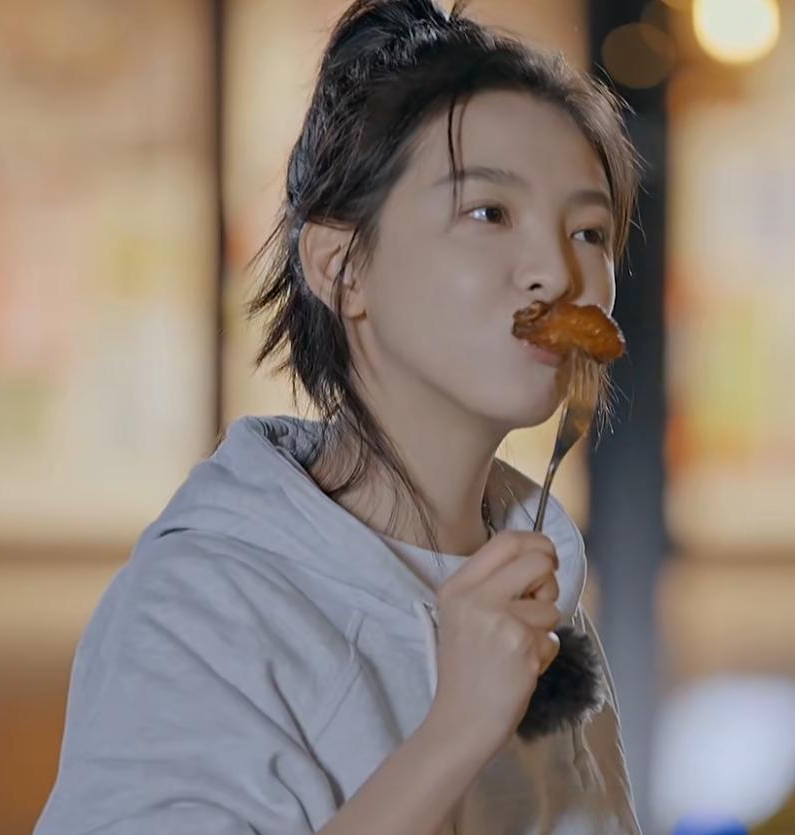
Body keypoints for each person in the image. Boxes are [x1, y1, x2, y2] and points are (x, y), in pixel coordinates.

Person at [33, 1, 642, 833]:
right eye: (489, 213)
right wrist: (455, 731)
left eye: (590, 230)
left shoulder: (545, 600)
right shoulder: (201, 604)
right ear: (341, 266)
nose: (557, 271)